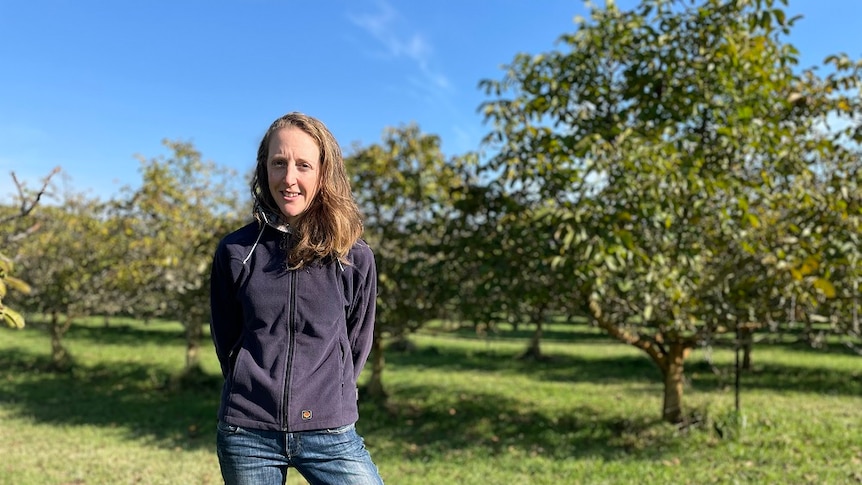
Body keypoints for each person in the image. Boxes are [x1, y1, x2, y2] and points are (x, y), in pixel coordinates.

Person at [209, 112, 383, 485]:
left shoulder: (352, 255)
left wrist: (328, 397)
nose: (289, 178)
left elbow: (358, 340)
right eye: (279, 163)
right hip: (248, 432)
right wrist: (252, 390)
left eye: (303, 165)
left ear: (323, 173)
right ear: (264, 169)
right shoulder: (236, 251)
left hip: (330, 431)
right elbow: (226, 338)